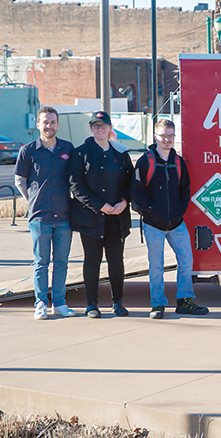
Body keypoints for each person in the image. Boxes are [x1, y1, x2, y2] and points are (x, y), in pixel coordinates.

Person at [131, 119, 209, 320]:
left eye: (171, 136)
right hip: (153, 225)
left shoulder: (178, 162)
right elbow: (137, 192)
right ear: (155, 137)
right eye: (163, 135)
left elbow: (185, 190)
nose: (167, 139)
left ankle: (185, 300)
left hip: (176, 224)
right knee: (156, 266)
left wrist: (179, 212)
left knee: (186, 261)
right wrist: (150, 211)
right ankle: (157, 304)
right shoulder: (145, 161)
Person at [68, 111, 134, 318]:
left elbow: (131, 182)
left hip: (116, 218)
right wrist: (99, 205)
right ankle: (91, 304)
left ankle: (118, 302)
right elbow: (75, 185)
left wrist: (124, 201)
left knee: (116, 261)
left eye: (103, 126)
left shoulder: (121, 154)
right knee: (92, 261)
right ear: (91, 129)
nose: (100, 129)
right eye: (96, 126)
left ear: (110, 128)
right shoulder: (80, 153)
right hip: (91, 219)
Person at [14, 106, 76, 320]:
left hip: (64, 216)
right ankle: (40, 303)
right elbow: (20, 180)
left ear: (57, 125)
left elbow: (75, 180)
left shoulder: (68, 149)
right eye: (45, 122)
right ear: (38, 124)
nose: (49, 126)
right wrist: (31, 200)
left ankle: (59, 303)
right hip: (39, 217)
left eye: (52, 122)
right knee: (41, 262)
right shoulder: (29, 150)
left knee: (61, 262)